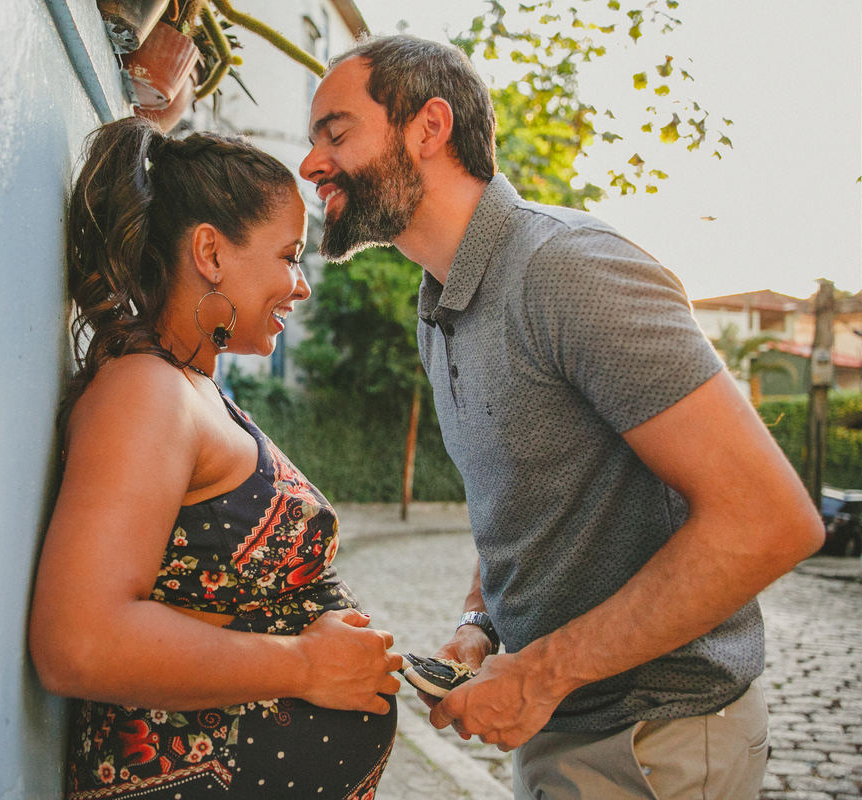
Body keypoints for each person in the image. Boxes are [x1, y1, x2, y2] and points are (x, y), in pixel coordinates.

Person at [299, 34, 824, 799]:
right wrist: (480, 623)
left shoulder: (568, 269)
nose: (313, 163)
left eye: (336, 133)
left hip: (656, 744)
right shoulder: (438, 305)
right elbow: (528, 497)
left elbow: (770, 521)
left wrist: (539, 676)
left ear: (428, 128)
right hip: (562, 732)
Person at [28, 116, 403, 800]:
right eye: (290, 256)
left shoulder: (189, 387)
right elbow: (79, 640)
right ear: (210, 252)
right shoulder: (145, 392)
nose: (301, 286)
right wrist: (305, 667)